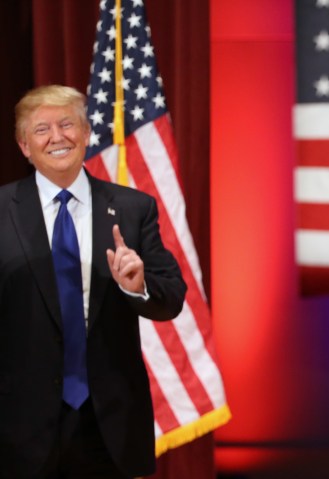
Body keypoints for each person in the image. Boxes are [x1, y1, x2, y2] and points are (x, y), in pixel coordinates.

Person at [0, 84, 186, 478]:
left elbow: (171, 298)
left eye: (67, 124)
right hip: (19, 427)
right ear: (24, 146)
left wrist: (137, 286)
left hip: (109, 425)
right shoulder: (2, 212)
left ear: (86, 134)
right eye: (42, 129)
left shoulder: (134, 209)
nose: (57, 137)